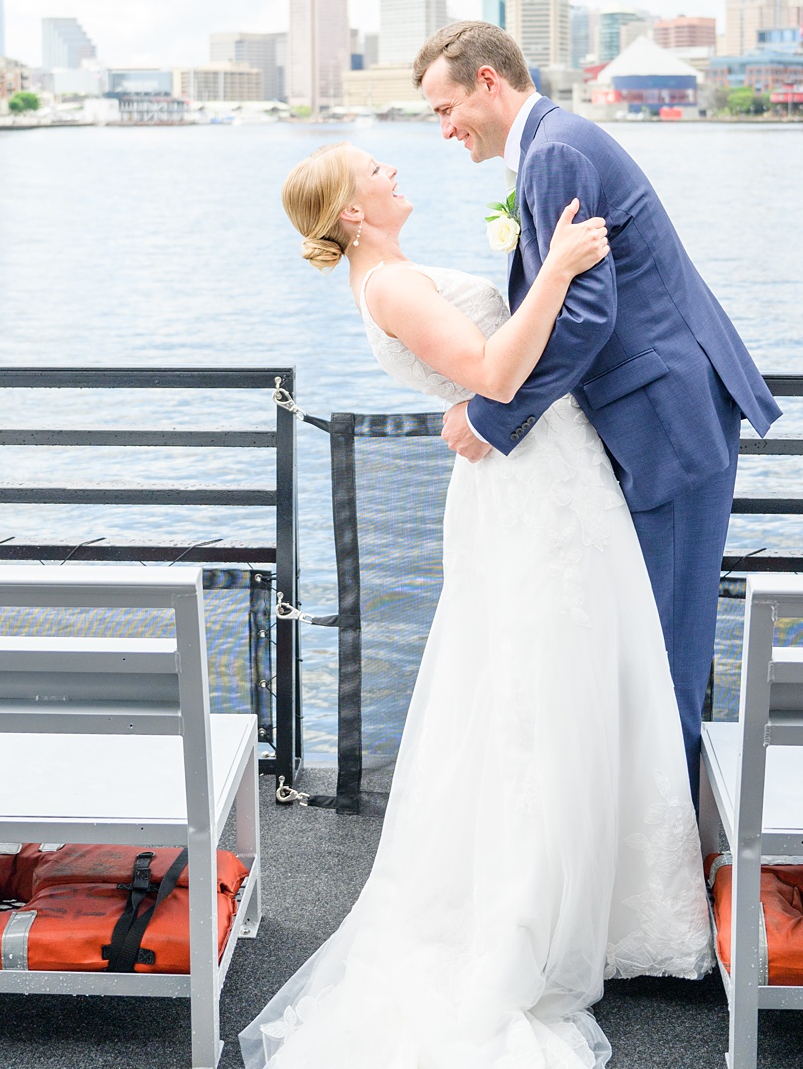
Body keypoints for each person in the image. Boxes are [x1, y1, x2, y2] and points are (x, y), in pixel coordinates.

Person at [242, 137, 712, 1067]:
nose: (390, 172)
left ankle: (601, 903)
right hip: (529, 484)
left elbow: (490, 373)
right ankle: (541, 911)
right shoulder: (390, 287)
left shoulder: (393, 274)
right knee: (541, 693)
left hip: (546, 472)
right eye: (372, 170)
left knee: (580, 676)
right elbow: (494, 374)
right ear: (349, 210)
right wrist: (561, 271)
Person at [415, 20, 780, 781]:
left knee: (666, 647)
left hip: (667, 420)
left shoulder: (555, 154)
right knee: (645, 640)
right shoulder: (553, 144)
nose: (444, 129)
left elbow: (585, 315)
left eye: (445, 109)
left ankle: (677, 869)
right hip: (653, 410)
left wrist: (492, 416)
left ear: (489, 82)